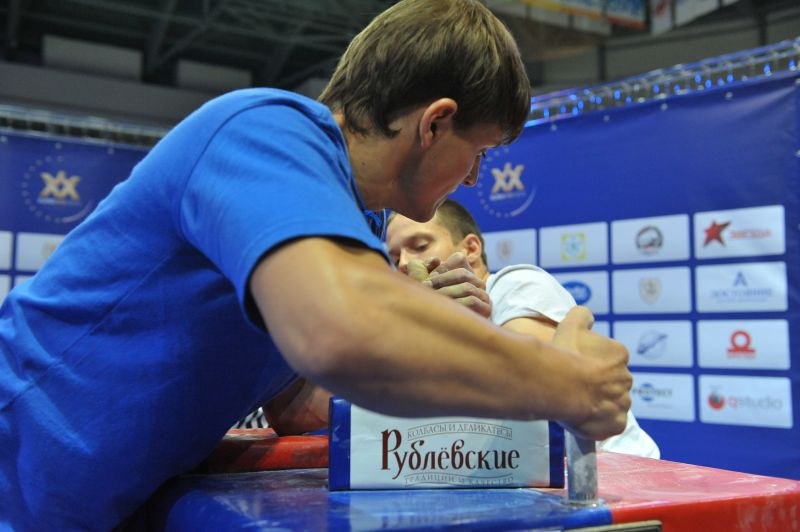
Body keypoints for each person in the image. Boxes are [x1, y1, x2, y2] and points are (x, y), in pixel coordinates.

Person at [0, 0, 632, 529]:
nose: (471, 179)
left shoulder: (361, 220)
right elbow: (340, 333)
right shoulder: (262, 131)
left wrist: (432, 338)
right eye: (480, 154)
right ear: (436, 123)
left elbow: (304, 400)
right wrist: (570, 383)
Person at [385, 199, 659, 458]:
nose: (405, 264)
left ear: (470, 248)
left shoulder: (516, 284)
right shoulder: (419, 329)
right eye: (395, 257)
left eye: (419, 246)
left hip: (617, 475)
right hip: (527, 480)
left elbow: (535, 388)